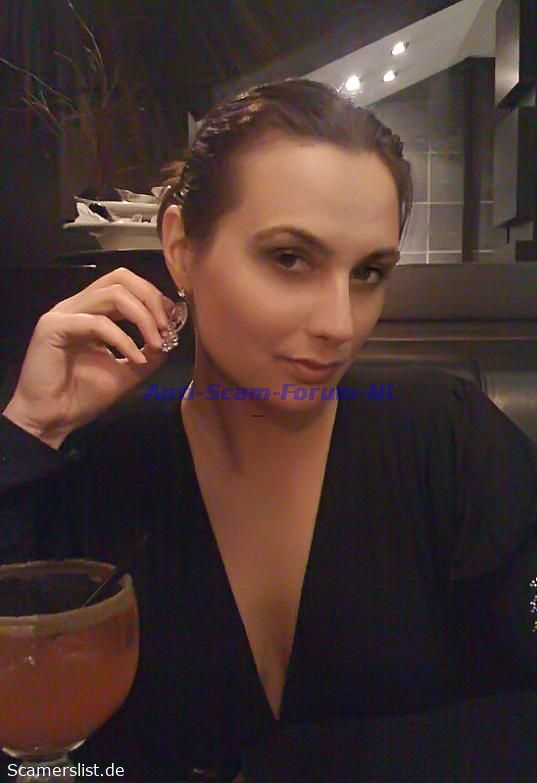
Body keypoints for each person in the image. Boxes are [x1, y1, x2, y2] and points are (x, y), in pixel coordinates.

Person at [1, 78, 537, 783]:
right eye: (289, 258)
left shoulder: (446, 440)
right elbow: (33, 754)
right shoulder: (102, 466)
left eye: (369, 272)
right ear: (181, 247)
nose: (339, 324)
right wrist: (28, 430)